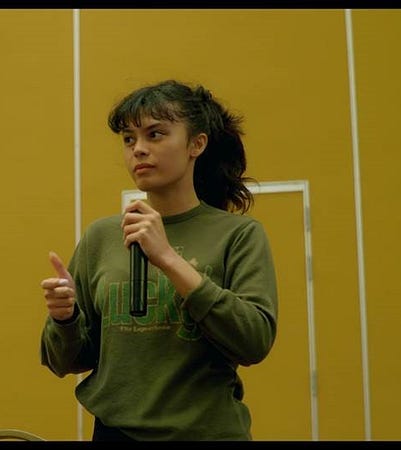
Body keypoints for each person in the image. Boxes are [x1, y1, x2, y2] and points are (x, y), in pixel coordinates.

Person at [39, 79, 278, 441]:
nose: (139, 150)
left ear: (196, 144)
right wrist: (65, 318)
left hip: (206, 433)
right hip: (115, 433)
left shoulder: (239, 236)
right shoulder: (101, 237)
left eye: (155, 134)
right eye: (129, 139)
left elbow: (254, 341)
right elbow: (66, 361)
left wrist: (167, 258)